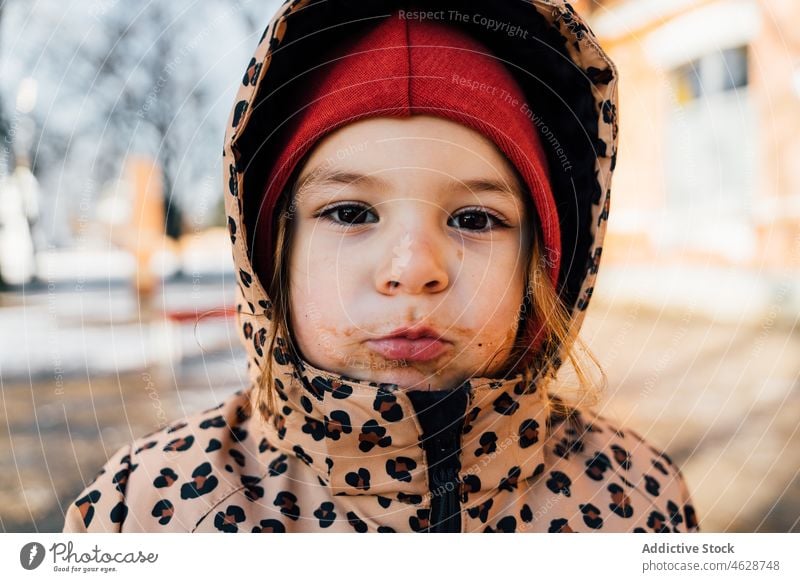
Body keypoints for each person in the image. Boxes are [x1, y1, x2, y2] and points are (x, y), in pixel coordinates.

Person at [63, 1, 699, 533]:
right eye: (349, 213)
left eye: (474, 219)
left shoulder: (638, 502)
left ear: (541, 262)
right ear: (271, 255)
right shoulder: (150, 512)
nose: (413, 269)